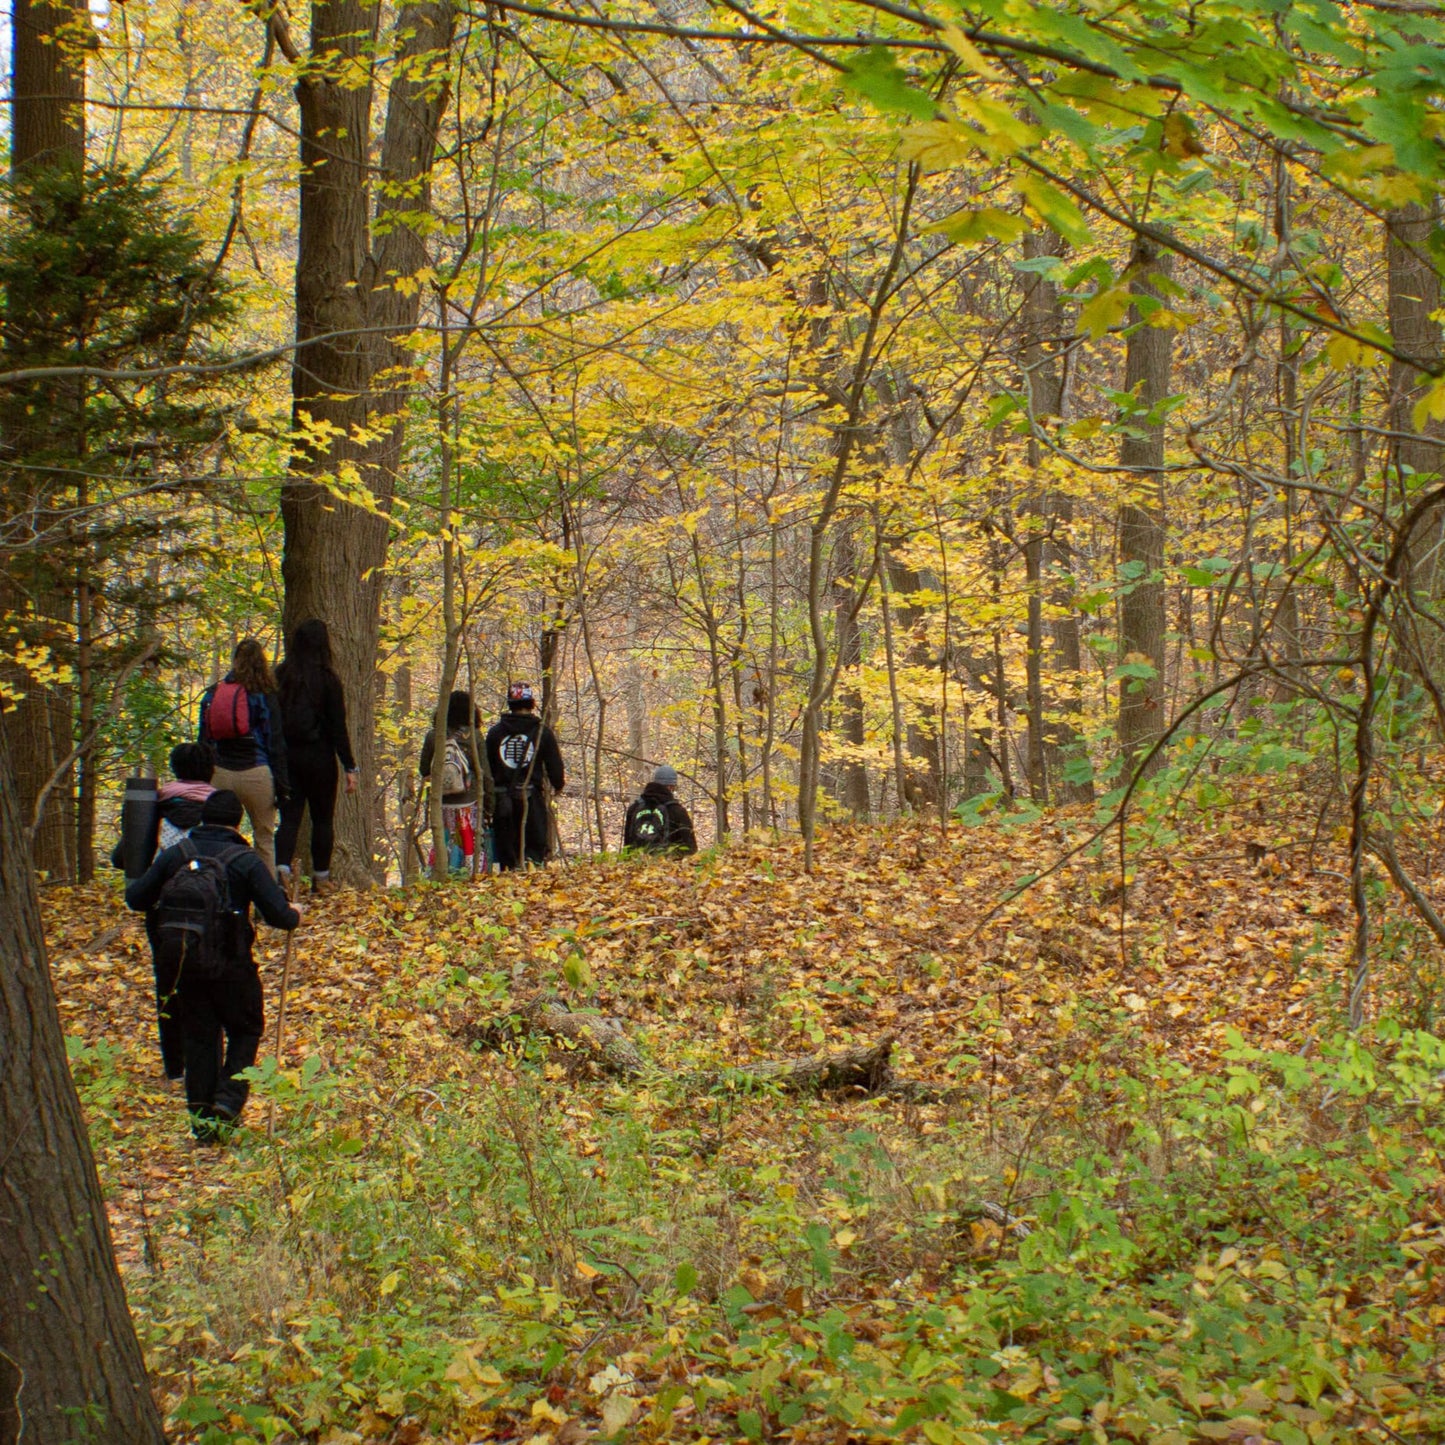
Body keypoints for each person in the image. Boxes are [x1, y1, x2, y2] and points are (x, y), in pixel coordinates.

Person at [124, 790, 301, 1144]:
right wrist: (294, 913)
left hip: (184, 964)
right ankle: (228, 1101)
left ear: (204, 817)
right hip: (233, 965)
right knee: (247, 1028)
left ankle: (204, 1125)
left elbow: (136, 898)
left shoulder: (177, 854)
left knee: (199, 1040)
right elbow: (279, 917)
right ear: (238, 822)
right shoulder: (246, 860)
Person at [109, 742, 217, 1083]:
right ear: (209, 770)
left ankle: (174, 1066)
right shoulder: (220, 807)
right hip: (209, 908)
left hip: (163, 907)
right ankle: (207, 1061)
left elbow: (122, 858)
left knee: (168, 984)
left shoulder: (153, 806)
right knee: (209, 983)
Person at [274, 619, 359, 897]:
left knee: (289, 818)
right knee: (322, 819)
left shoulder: (281, 675)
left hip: (287, 758)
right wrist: (349, 764)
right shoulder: (328, 679)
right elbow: (338, 726)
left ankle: (281, 872)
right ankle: (321, 879)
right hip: (320, 757)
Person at [198, 638, 289, 876]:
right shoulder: (266, 696)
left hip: (220, 774)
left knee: (217, 838)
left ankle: (213, 896)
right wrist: (282, 785)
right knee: (264, 840)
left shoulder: (214, 694)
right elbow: (275, 743)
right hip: (256, 773)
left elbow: (204, 741)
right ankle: (266, 907)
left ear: (235, 661)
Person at [485, 682, 564, 871]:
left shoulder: (495, 733)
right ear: (531, 703)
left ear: (510, 704)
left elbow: (486, 768)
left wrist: (488, 800)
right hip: (531, 798)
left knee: (507, 855)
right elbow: (555, 766)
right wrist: (558, 785)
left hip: (502, 800)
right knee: (534, 851)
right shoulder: (542, 732)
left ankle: (509, 890)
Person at [420, 689, 494, 873]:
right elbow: (484, 773)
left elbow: (423, 770)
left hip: (442, 803)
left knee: (445, 840)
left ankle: (442, 873)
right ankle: (471, 873)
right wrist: (490, 805)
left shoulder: (433, 736)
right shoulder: (475, 736)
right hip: (469, 802)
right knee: (470, 841)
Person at [623, 764, 698, 855]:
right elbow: (691, 849)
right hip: (668, 867)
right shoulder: (677, 811)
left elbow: (627, 846)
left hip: (637, 865)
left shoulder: (634, 808)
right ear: (672, 786)